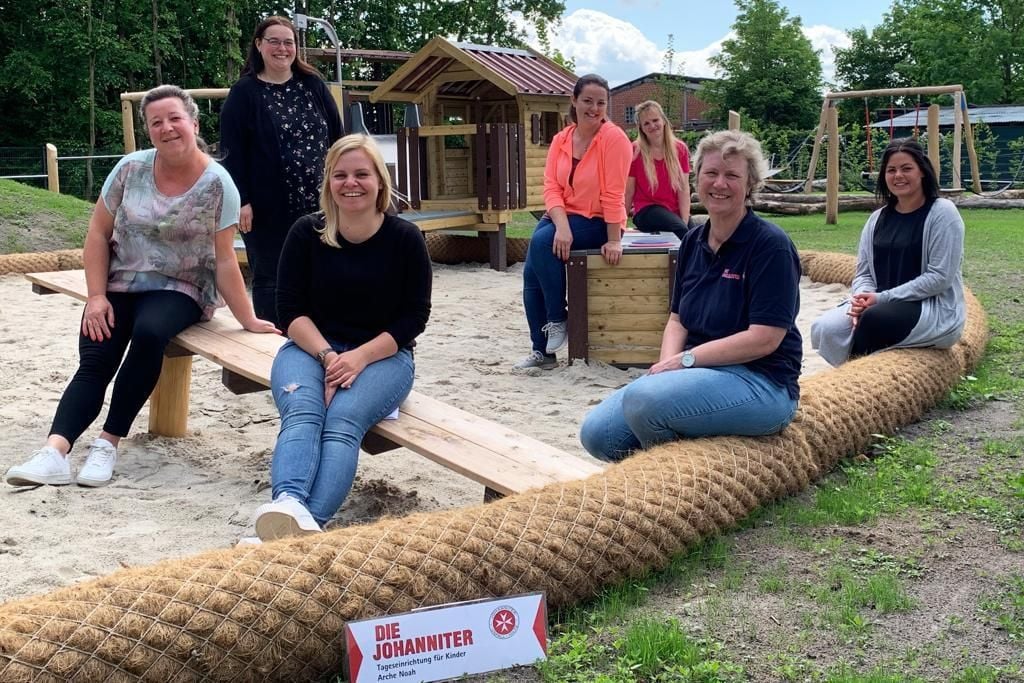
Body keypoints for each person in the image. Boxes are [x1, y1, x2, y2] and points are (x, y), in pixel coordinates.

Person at [4, 85, 278, 488]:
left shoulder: (219, 184)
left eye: (174, 119)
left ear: (193, 123)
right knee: (97, 355)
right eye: (156, 122)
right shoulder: (130, 169)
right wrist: (96, 296)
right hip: (121, 279)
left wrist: (249, 318)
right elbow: (97, 234)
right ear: (149, 130)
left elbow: (223, 260)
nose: (167, 128)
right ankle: (56, 450)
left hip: (181, 286)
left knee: (150, 332)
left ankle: (108, 442)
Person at [579, 130, 802, 461]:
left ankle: (673, 481)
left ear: (750, 183)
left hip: (761, 380)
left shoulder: (770, 246)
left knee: (646, 402)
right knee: (598, 434)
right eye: (711, 173)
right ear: (697, 178)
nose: (719, 183)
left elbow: (764, 339)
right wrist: (667, 366)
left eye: (732, 175)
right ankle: (679, 453)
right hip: (699, 370)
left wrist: (685, 361)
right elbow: (677, 319)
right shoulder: (693, 241)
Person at [253, 135, 432, 540]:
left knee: (341, 422)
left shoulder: (405, 239)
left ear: (380, 184)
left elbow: (413, 319)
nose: (351, 183)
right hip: (312, 345)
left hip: (384, 355)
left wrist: (359, 359)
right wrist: (330, 358)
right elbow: (289, 311)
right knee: (303, 410)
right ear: (329, 183)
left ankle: (307, 524)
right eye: (341, 175)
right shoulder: (306, 233)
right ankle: (289, 504)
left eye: (362, 174)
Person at [219, 15, 343, 325]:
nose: (282, 48)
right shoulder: (244, 93)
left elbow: (339, 139)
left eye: (288, 42)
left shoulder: (313, 85)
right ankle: (271, 345)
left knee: (323, 269)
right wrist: (241, 200)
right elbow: (230, 153)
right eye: (273, 41)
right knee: (271, 277)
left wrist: (343, 185)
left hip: (319, 202)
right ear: (259, 45)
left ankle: (321, 337)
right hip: (266, 207)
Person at [811, 138, 965, 366]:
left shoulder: (943, 213)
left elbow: (939, 278)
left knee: (874, 319)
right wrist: (862, 299)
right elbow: (863, 273)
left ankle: (857, 380)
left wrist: (881, 300)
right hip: (878, 303)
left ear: (922, 171)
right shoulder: (877, 219)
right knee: (825, 328)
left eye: (906, 168)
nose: (898, 176)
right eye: (891, 170)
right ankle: (856, 370)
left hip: (928, 307)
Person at [515, 73, 633, 370]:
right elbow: (551, 187)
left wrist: (615, 239)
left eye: (601, 103)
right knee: (532, 268)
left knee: (542, 242)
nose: (594, 108)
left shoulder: (615, 139)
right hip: (563, 217)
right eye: (588, 101)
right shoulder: (561, 139)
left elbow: (613, 193)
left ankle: (558, 317)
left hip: (600, 219)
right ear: (574, 101)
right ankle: (542, 353)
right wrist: (563, 226)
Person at [626, 99, 692, 240]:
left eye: (655, 120)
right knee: (680, 229)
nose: (652, 126)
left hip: (673, 212)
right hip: (647, 210)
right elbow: (629, 191)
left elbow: (683, 189)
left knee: (698, 235)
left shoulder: (680, 149)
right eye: (646, 123)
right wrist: (620, 225)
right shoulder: (635, 151)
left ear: (663, 121)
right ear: (641, 128)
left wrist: (685, 221)